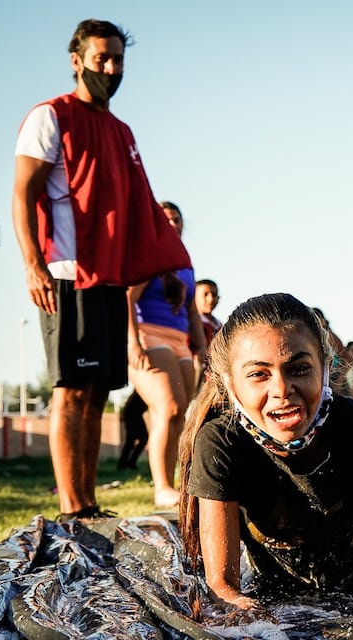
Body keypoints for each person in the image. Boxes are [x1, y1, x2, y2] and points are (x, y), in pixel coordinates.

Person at [12, 19, 190, 520]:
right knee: (71, 389)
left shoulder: (121, 131)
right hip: (68, 272)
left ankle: (88, 502)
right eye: (101, 59)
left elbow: (139, 207)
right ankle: (71, 505)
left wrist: (166, 269)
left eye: (117, 61)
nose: (110, 69)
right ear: (77, 60)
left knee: (97, 394)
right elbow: (23, 192)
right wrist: (33, 264)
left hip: (112, 278)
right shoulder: (50, 117)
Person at [178, 293, 353, 613]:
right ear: (230, 383)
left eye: (299, 368)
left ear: (326, 366)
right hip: (272, 566)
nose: (281, 390)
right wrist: (239, 609)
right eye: (259, 374)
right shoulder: (220, 441)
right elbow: (221, 586)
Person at [127, 201, 206, 508]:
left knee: (180, 415)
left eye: (177, 220)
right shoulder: (146, 254)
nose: (172, 225)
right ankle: (161, 487)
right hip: (149, 333)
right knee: (168, 408)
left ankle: (174, 484)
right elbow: (128, 297)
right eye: (165, 220)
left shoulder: (184, 262)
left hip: (179, 339)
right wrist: (132, 342)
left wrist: (202, 348)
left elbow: (191, 310)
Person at [194, 278, 223, 392]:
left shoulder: (219, 325)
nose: (210, 299)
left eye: (214, 294)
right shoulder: (191, 323)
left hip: (214, 375)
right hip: (196, 373)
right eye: (205, 295)